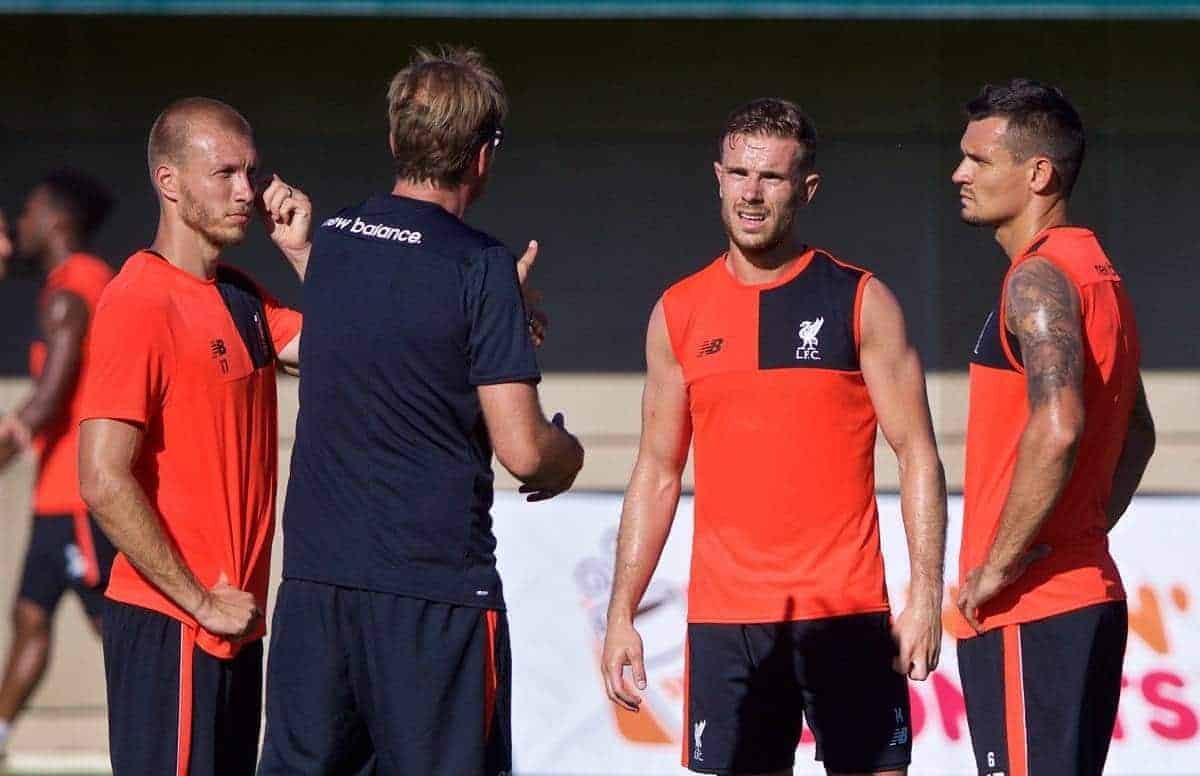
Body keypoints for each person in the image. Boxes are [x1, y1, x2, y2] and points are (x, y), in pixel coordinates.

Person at [258, 46, 583, 776]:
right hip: (431, 592)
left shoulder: (337, 244)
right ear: (482, 156)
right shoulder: (479, 265)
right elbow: (524, 452)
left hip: (317, 587)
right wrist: (570, 453)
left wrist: (493, 322)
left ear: (395, 139)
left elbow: (382, 327)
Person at [601, 98, 947, 776]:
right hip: (729, 622)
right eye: (738, 174)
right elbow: (657, 470)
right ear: (718, 178)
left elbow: (918, 454)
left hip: (845, 612)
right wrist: (621, 613)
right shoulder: (678, 311)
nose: (751, 194)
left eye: (772, 178)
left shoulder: (860, 300)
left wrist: (927, 593)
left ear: (806, 189)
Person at [76, 97, 309, 776]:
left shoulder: (239, 294)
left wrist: (302, 253)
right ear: (169, 181)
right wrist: (199, 600)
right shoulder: (138, 301)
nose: (248, 192)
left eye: (252, 172)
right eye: (225, 174)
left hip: (234, 623)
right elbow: (101, 478)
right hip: (174, 622)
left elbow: (351, 354)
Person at [950, 79, 1155, 776]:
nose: (960, 174)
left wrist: (1000, 565)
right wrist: (1077, 531)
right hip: (1087, 595)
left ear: (1037, 173)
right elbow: (1138, 434)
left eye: (979, 160)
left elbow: (1061, 425)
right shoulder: (1100, 274)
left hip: (1028, 609)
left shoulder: (1037, 281)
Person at [0, 171, 115, 763]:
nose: (19, 226)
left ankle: (168, 728)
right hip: (54, 496)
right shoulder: (65, 286)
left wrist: (7, 444)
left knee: (117, 629)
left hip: (82, 495)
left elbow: (49, 396)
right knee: (29, 619)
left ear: (57, 222)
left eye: (27, 212)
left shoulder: (77, 288)